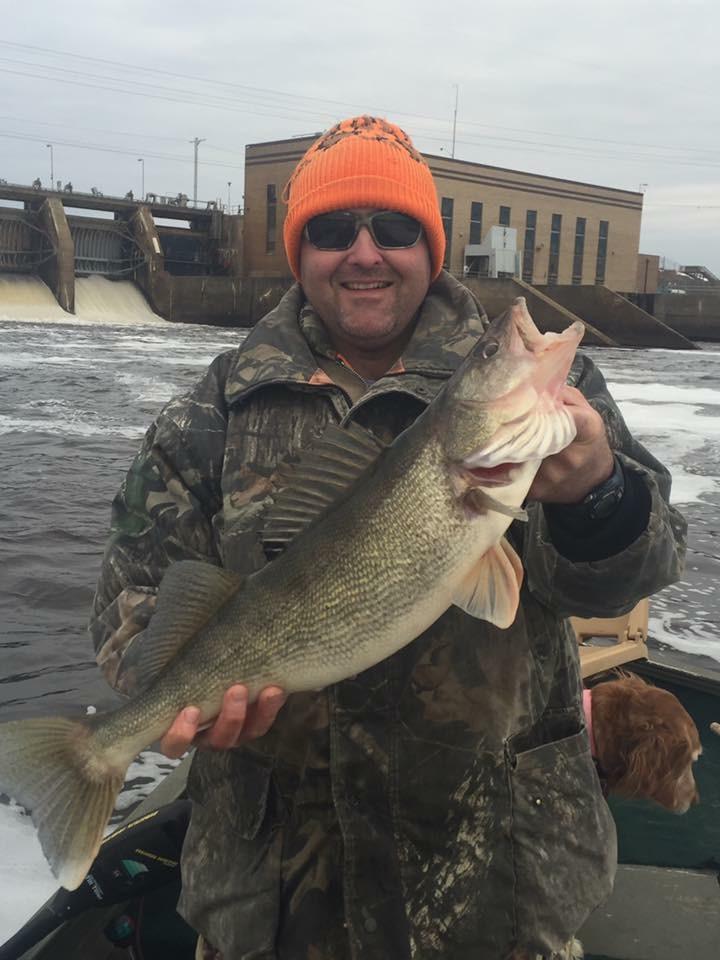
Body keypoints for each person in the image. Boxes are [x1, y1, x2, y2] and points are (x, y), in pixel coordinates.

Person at [90, 115, 687, 960]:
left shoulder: (563, 403)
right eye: (334, 230)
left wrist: (600, 494)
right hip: (273, 901)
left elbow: (633, 574)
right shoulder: (212, 410)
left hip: (498, 892)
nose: (365, 252)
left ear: (430, 247)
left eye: (395, 229)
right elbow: (128, 603)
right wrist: (177, 693)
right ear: (300, 250)